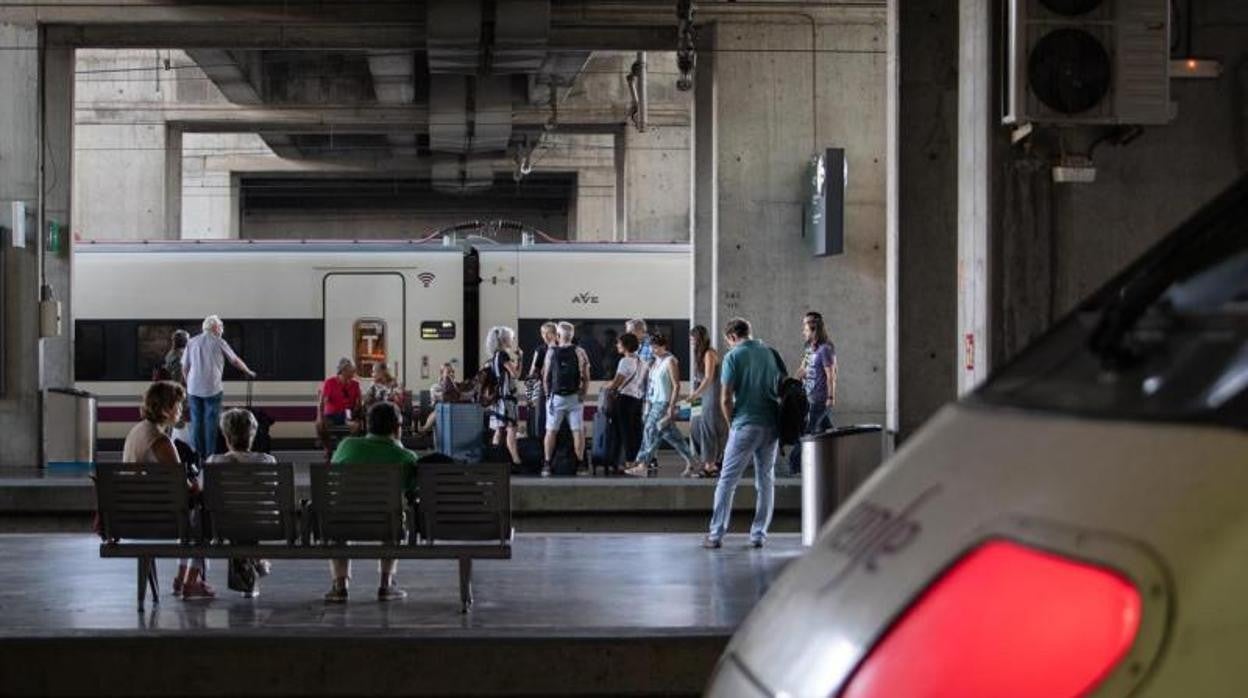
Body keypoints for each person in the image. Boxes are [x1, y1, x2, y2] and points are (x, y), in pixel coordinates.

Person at [123, 380, 215, 599]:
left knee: (194, 518)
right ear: (165, 410)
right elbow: (181, 488)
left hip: (129, 514)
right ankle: (191, 583)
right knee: (205, 520)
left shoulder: (137, 431)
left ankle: (181, 579)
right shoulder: (161, 440)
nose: (182, 409)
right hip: (155, 518)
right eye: (178, 405)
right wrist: (197, 486)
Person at [324, 401, 417, 603]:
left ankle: (340, 586)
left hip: (343, 522)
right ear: (397, 427)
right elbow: (412, 493)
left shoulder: (347, 445)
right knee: (394, 515)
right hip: (385, 524)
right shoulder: (406, 457)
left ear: (368, 425)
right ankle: (386, 584)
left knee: (339, 516)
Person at [704, 318, 782, 549]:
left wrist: (731, 425)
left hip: (745, 423)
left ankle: (716, 534)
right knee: (766, 480)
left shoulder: (733, 356)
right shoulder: (770, 353)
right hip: (771, 424)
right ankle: (758, 534)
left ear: (731, 337)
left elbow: (726, 397)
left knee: (727, 481)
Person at [206, 408, 276, 599]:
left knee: (233, 518)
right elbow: (272, 493)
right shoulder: (267, 461)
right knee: (247, 517)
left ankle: (252, 568)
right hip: (262, 524)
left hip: (223, 526)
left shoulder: (214, 462)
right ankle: (255, 563)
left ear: (225, 435)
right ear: (252, 435)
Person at [183, 315, 256, 460]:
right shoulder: (219, 341)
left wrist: (188, 384)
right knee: (211, 423)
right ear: (215, 328)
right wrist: (248, 371)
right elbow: (234, 360)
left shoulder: (192, 342)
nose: (222, 329)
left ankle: (198, 457)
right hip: (213, 389)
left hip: (193, 389)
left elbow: (185, 367)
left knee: (196, 422)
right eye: (221, 326)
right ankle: (210, 457)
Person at [626, 333, 697, 478]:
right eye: (652, 347)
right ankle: (692, 461)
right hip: (653, 401)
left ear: (664, 346)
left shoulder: (670, 361)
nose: (653, 350)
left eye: (656, 347)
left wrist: (671, 406)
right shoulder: (654, 362)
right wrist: (647, 404)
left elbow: (676, 385)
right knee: (671, 435)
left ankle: (642, 464)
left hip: (664, 402)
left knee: (650, 429)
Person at [787, 311, 838, 475]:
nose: (803, 331)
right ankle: (833, 463)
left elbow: (831, 375)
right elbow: (803, 368)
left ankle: (794, 466)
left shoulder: (825, 349)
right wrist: (794, 383)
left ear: (814, 328)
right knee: (827, 432)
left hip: (820, 399)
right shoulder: (809, 348)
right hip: (808, 397)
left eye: (806, 327)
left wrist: (831, 397)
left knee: (806, 432)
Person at [541, 321, 590, 478]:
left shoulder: (551, 352)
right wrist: (583, 394)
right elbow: (587, 377)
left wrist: (548, 395)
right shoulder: (580, 352)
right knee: (577, 431)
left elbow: (545, 376)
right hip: (575, 397)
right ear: (572, 335)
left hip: (556, 398)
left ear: (559, 335)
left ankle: (547, 464)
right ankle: (581, 464)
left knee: (551, 431)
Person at [688, 325, 728, 478]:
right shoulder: (700, 354)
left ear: (699, 339)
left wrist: (695, 394)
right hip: (701, 395)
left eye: (693, 339)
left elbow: (709, 377)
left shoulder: (709, 353)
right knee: (695, 426)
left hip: (711, 394)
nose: (691, 343)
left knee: (708, 427)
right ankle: (709, 461)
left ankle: (710, 465)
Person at [604, 333, 646, 475]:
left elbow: (617, 382)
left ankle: (625, 462)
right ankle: (634, 461)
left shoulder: (625, 361)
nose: (617, 345)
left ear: (626, 346)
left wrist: (607, 386)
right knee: (635, 431)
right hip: (637, 400)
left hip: (624, 400)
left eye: (619, 343)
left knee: (623, 432)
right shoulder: (641, 361)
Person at [485, 326, 523, 468]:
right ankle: (516, 461)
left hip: (498, 399)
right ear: (504, 339)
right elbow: (516, 375)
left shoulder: (494, 356)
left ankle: (495, 460)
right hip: (507, 399)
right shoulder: (503, 355)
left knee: (499, 430)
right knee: (511, 429)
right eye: (510, 337)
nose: (512, 339)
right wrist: (520, 358)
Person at [317, 357, 362, 459]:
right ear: (343, 370)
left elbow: (358, 403)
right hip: (331, 415)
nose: (354, 372)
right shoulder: (330, 382)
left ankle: (346, 448)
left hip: (347, 415)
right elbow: (323, 401)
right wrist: (320, 416)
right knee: (319, 425)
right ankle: (328, 449)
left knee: (356, 426)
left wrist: (356, 410)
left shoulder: (355, 384)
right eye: (351, 370)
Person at [524, 322, 558, 439]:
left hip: (548, 390)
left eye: (549, 333)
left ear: (555, 334)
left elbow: (532, 372)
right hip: (550, 389)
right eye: (543, 333)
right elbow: (532, 373)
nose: (545, 336)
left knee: (544, 418)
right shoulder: (560, 348)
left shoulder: (541, 350)